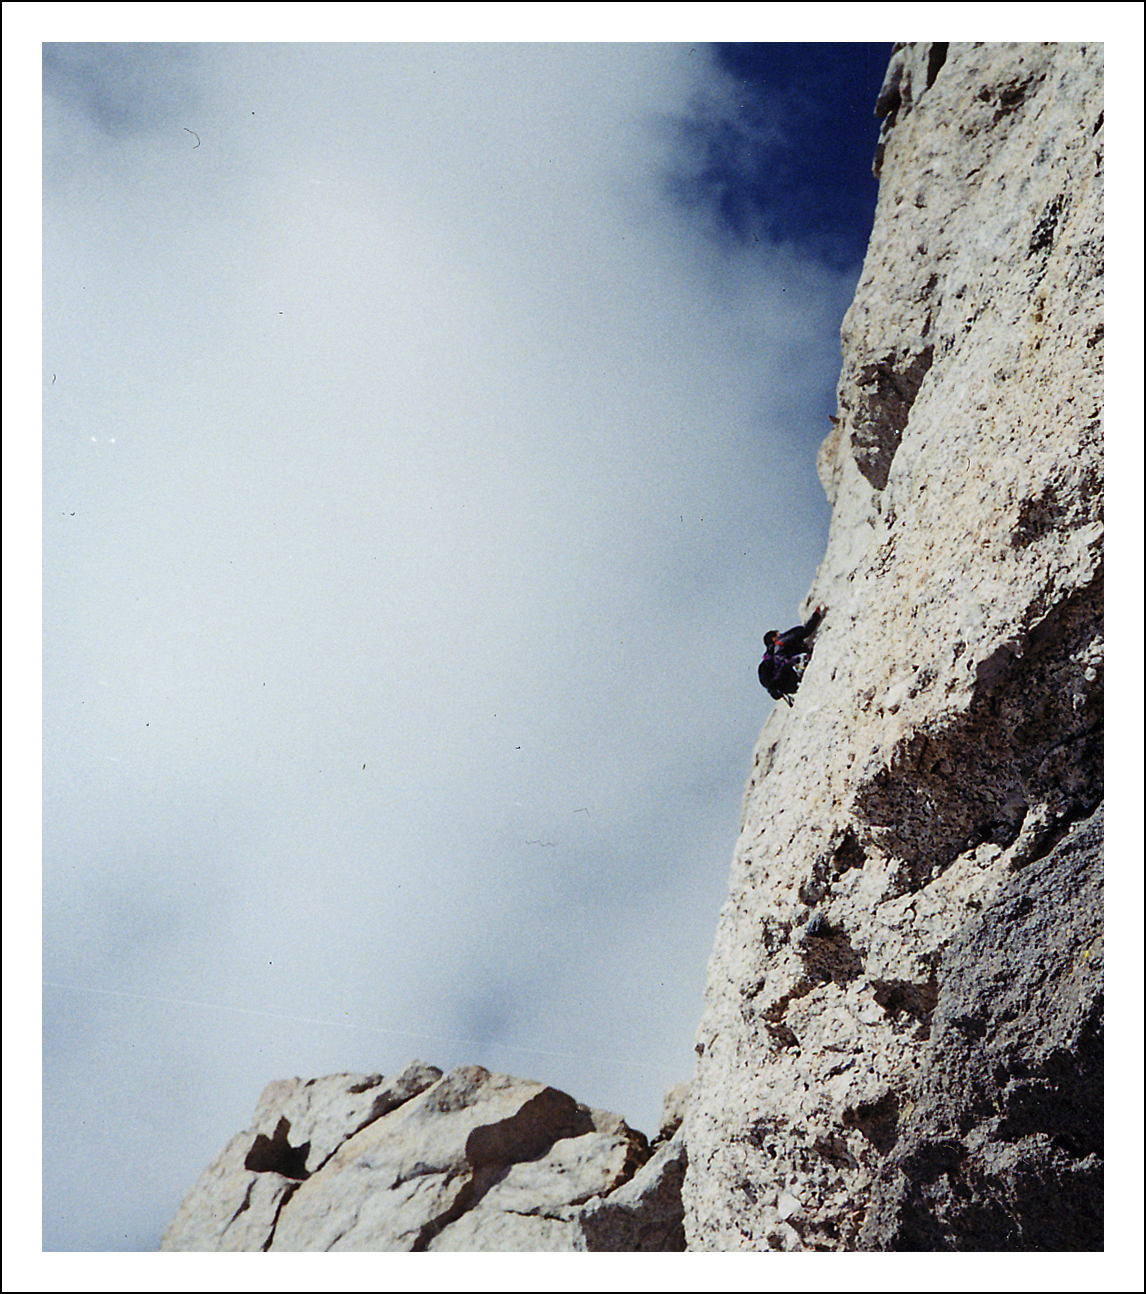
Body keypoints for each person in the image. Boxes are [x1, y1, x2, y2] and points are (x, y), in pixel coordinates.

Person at [758, 607, 824, 705]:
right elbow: (805, 631)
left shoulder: (770, 657)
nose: (781, 635)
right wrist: (817, 615)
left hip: (789, 686)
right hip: (794, 672)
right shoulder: (779, 645)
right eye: (778, 634)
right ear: (774, 639)